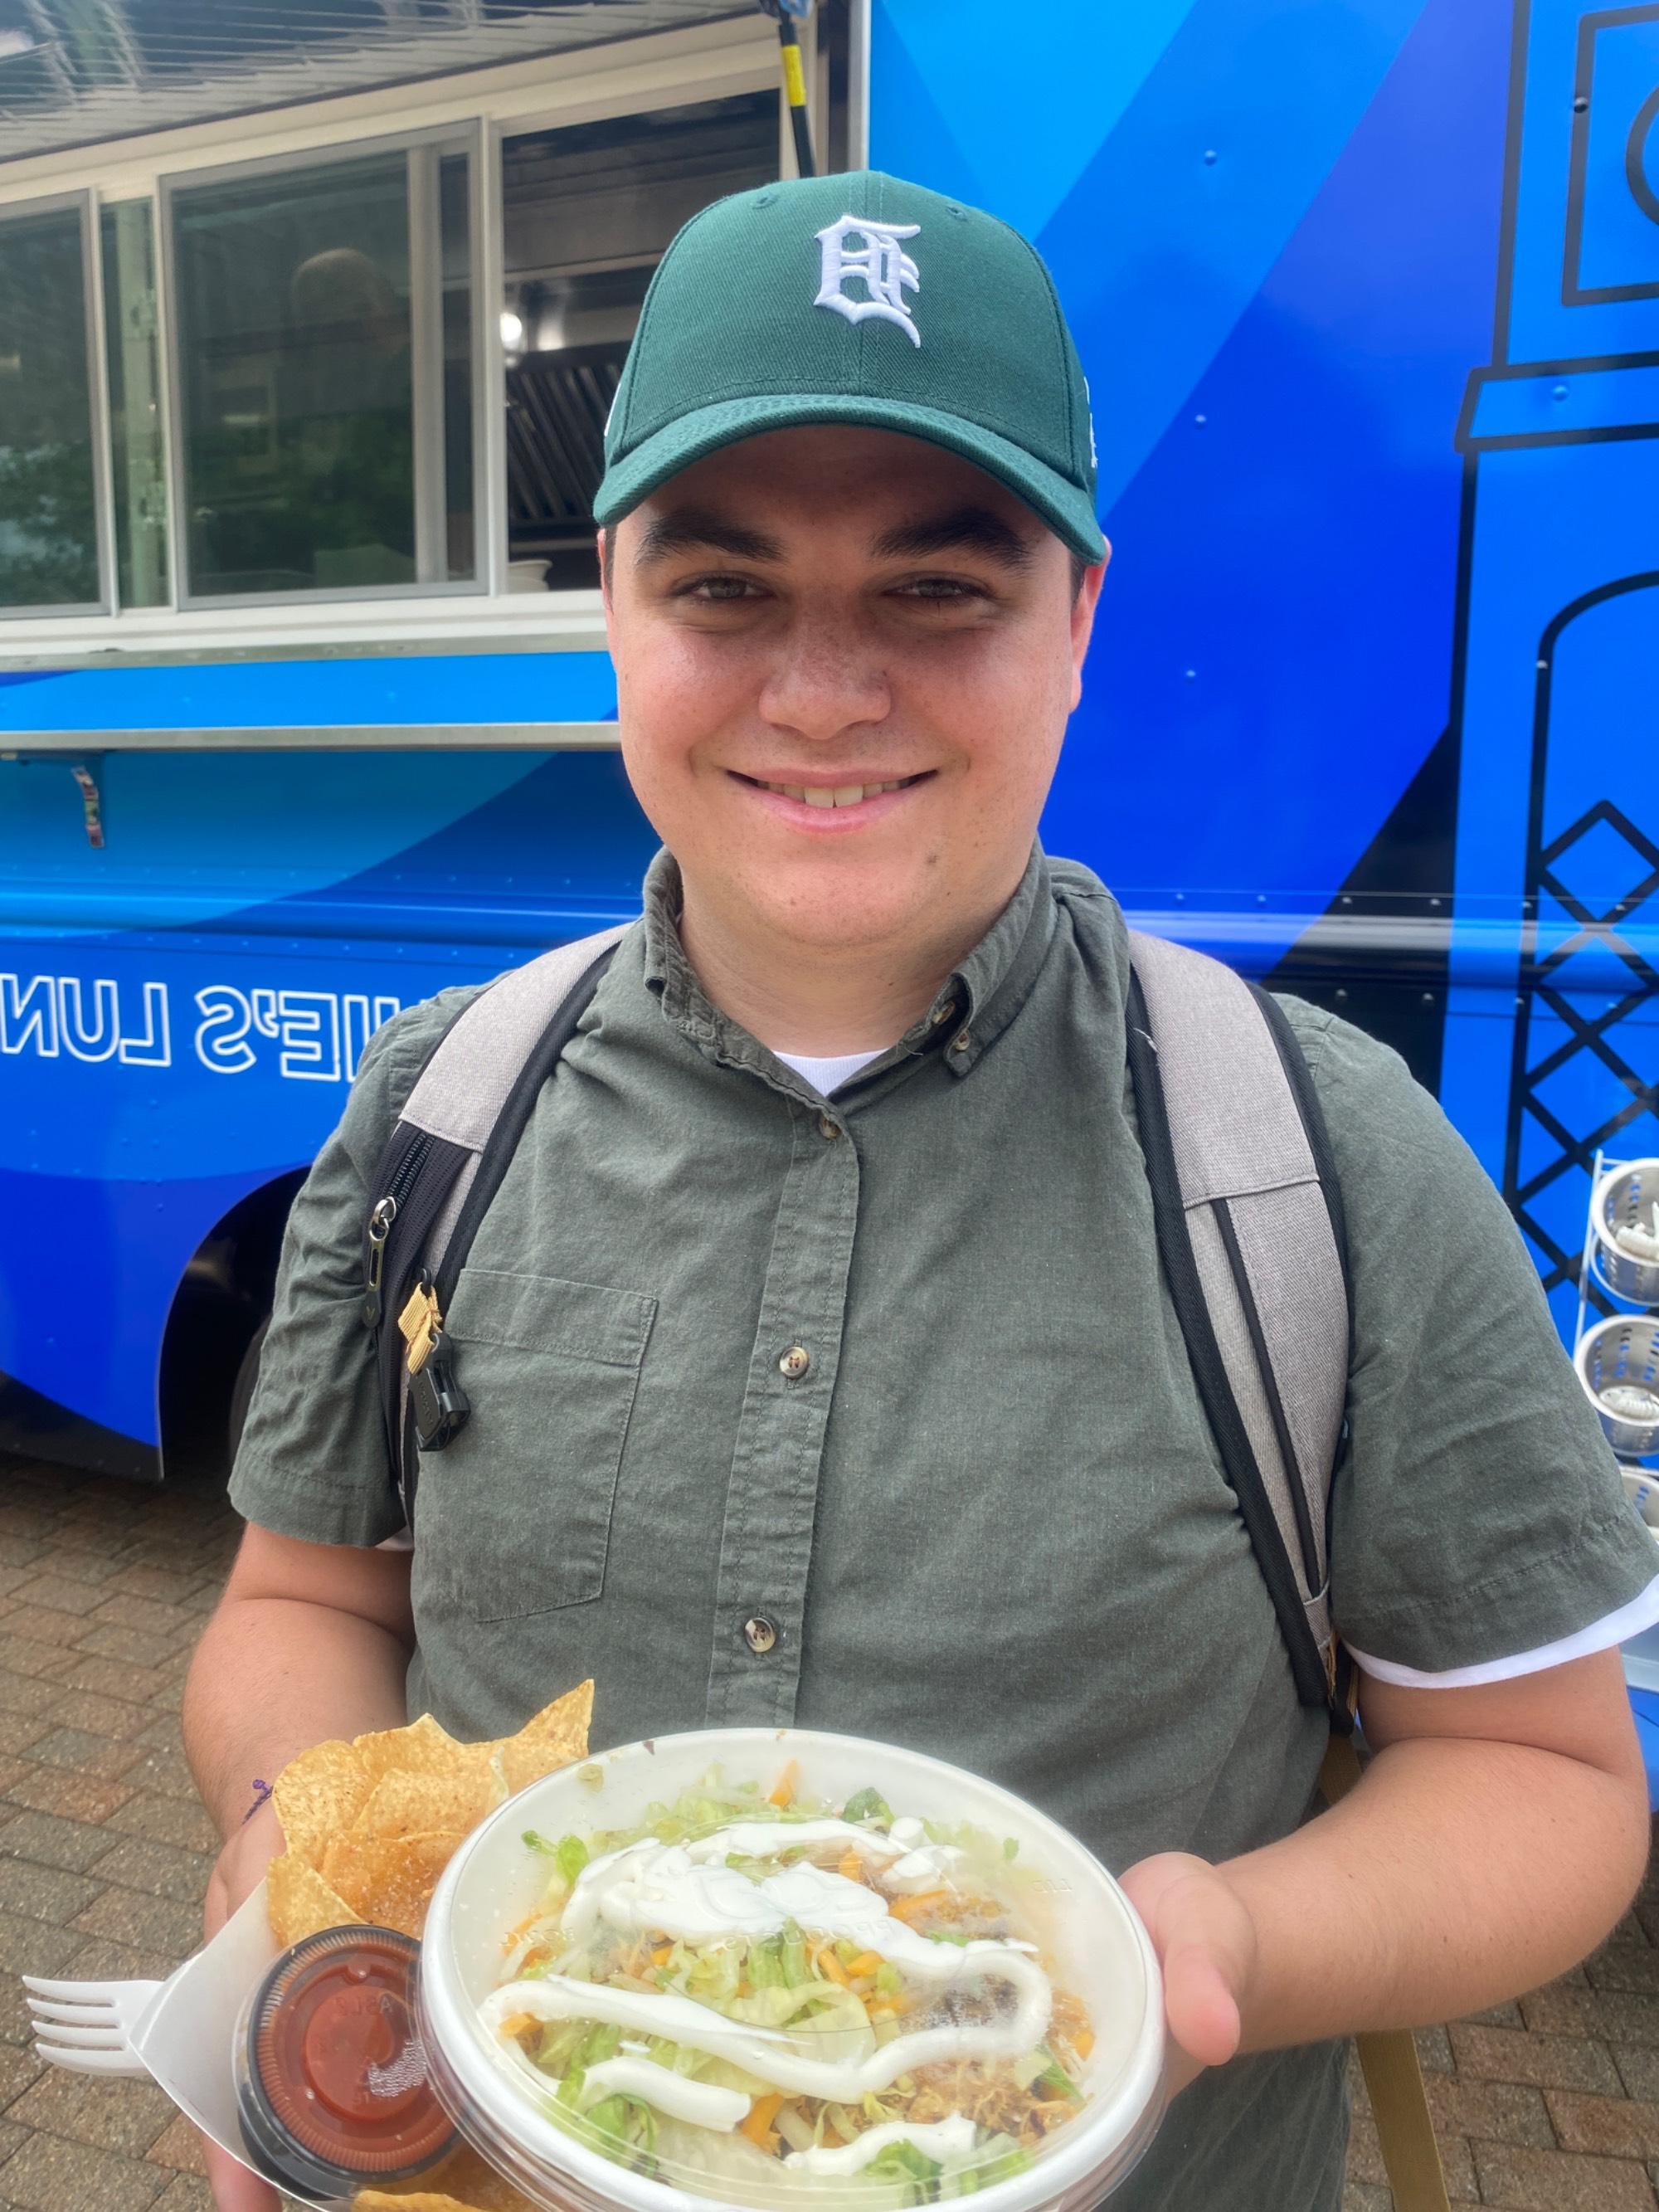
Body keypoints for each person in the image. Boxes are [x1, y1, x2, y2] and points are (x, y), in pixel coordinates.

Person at [184, 171, 1656, 2212]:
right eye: (722, 588)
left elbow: (1545, 1774)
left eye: (936, 590)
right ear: (610, 604)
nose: (818, 689)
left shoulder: (1320, 1159)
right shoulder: (443, 1111)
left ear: (1079, 622)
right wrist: (305, 1847)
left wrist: (1224, 1947)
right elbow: (304, 1602)